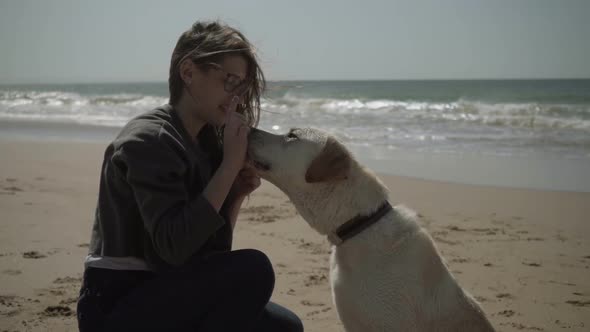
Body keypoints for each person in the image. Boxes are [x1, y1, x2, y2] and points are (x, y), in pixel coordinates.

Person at [76, 20, 304, 332]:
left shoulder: (207, 141)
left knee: (285, 327)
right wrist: (227, 168)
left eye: (243, 87)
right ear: (188, 72)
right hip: (116, 302)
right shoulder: (151, 139)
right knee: (254, 269)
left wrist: (234, 193)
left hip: (166, 292)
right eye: (230, 81)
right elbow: (174, 249)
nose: (237, 96)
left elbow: (210, 254)